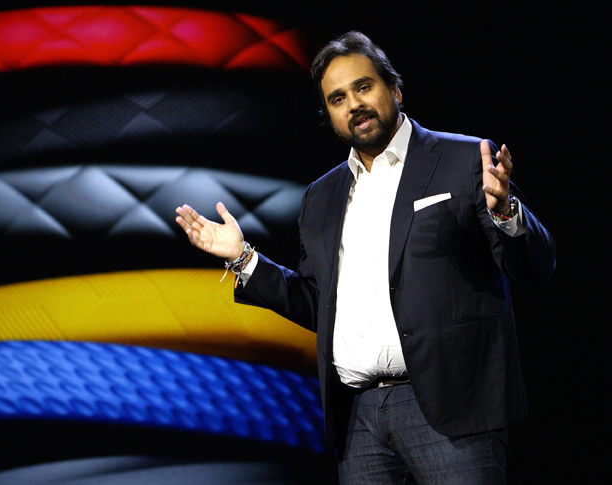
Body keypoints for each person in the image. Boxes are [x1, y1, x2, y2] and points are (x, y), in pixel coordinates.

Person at [174, 31, 555, 484]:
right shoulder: (321, 196)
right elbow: (321, 306)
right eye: (337, 99)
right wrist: (243, 258)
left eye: (363, 87)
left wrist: (506, 213)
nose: (353, 104)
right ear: (330, 115)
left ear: (394, 88)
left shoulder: (464, 159)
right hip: (360, 419)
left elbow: (535, 265)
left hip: (454, 408)